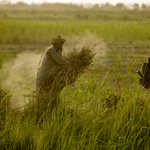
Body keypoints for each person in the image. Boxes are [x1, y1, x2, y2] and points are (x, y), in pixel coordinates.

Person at [36, 35, 75, 115]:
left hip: (51, 74)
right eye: (59, 44)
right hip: (44, 74)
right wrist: (71, 64)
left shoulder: (59, 50)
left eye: (61, 44)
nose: (60, 46)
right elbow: (59, 60)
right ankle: (40, 110)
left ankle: (53, 108)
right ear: (54, 44)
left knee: (52, 91)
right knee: (42, 92)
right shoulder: (51, 50)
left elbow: (60, 62)